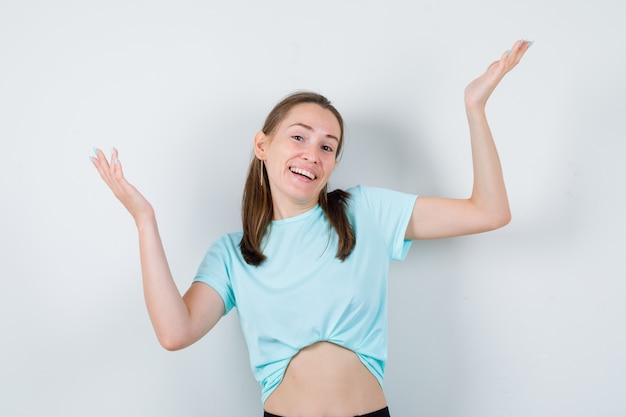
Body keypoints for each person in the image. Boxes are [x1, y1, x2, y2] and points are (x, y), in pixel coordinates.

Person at [91, 39, 531, 417]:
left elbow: (488, 211)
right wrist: (144, 220)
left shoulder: (366, 212)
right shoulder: (233, 254)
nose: (312, 154)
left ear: (334, 163)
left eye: (327, 146)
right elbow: (175, 332)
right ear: (263, 145)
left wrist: (475, 107)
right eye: (298, 137)